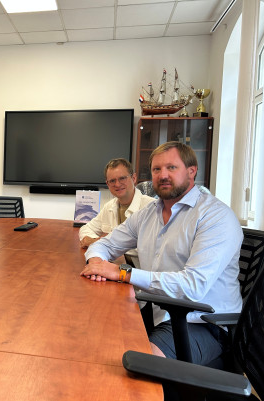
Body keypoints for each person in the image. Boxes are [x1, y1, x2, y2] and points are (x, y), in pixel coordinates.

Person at [80, 141, 243, 365]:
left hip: (202, 323)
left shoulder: (215, 216)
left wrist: (123, 273)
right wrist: (97, 264)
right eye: (156, 169)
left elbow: (192, 286)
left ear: (192, 171)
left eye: (171, 167)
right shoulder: (148, 214)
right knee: (92, 338)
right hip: (159, 310)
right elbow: (104, 245)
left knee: (133, 366)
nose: (163, 175)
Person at [79, 158, 154, 267]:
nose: (117, 184)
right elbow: (86, 229)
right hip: (115, 266)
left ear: (134, 178)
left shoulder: (151, 207)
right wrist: (96, 241)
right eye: (112, 181)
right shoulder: (109, 206)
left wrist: (101, 243)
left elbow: (148, 248)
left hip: (141, 271)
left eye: (122, 178)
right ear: (107, 184)